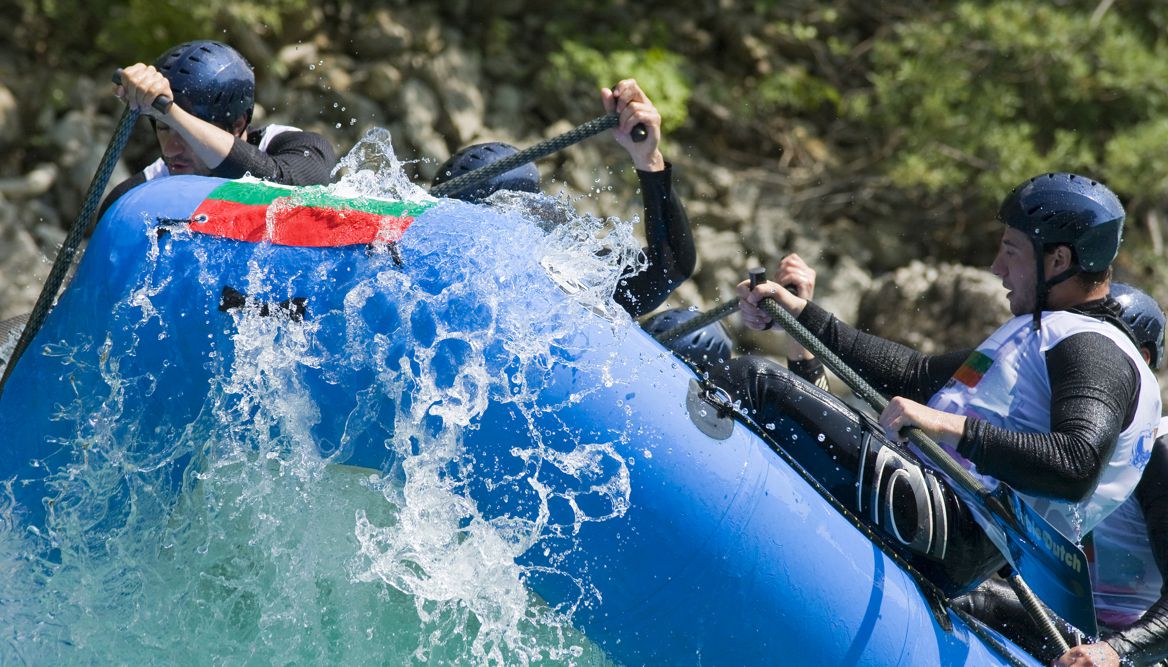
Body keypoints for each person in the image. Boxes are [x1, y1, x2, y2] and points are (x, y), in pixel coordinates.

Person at [721, 173, 1161, 655]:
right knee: (771, 390)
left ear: (1058, 260)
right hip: (943, 511)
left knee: (756, 383)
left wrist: (952, 428)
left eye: (1010, 250)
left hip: (958, 528)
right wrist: (803, 316)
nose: (997, 267)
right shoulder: (1047, 332)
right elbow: (911, 373)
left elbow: (1076, 463)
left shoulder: (1095, 349)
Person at [431, 79, 695, 318]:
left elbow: (670, 266)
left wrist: (649, 158)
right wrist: (648, 160)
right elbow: (672, 267)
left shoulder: (556, 272)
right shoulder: (553, 281)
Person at [1055, 283, 1168, 667]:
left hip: (1133, 646)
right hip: (1068, 618)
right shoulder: (1069, 433)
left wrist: (1115, 652)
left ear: (1143, 359)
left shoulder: (1161, 451)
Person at [99, 40, 336, 218]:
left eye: (186, 131)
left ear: (238, 124)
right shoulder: (133, 196)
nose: (170, 149)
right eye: (163, 128)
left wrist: (171, 113)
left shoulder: (301, 147)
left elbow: (294, 189)